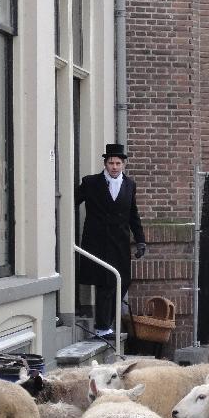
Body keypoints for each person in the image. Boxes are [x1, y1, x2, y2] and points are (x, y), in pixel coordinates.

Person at [76, 143, 146, 337]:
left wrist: (141, 240)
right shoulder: (90, 183)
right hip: (98, 241)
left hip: (120, 242)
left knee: (123, 281)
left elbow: (133, 214)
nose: (114, 167)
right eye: (110, 163)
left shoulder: (130, 185)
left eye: (117, 163)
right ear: (105, 164)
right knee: (104, 282)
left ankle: (108, 323)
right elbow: (71, 201)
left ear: (123, 164)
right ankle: (102, 326)